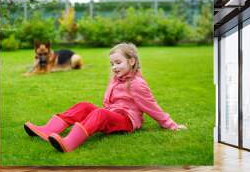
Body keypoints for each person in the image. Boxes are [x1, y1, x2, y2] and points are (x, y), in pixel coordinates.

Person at [24, 42, 187, 153]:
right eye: (112, 64)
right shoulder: (116, 78)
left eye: (118, 63)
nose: (114, 67)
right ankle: (48, 130)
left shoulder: (137, 84)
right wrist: (106, 107)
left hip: (126, 121)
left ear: (131, 61)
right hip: (113, 112)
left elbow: (152, 106)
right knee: (84, 106)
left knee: (100, 114)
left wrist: (170, 124)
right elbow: (108, 99)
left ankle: (68, 143)